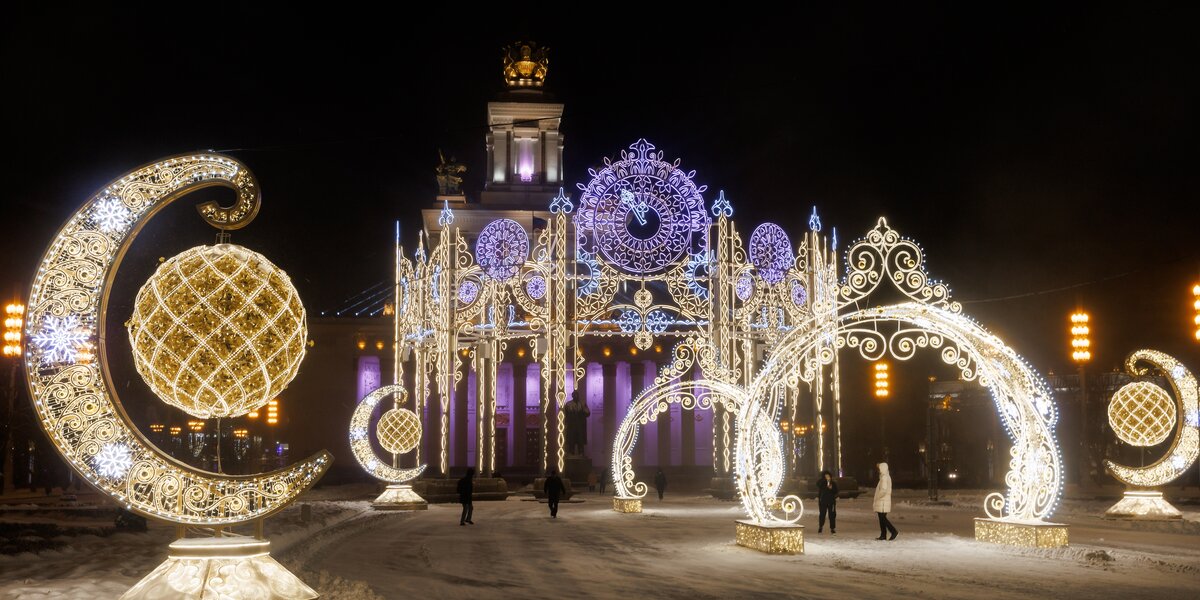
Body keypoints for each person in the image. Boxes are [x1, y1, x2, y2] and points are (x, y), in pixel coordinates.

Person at [874, 462, 897, 540]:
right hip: (883, 501)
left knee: (883, 518)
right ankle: (883, 535)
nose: (878, 470)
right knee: (881, 518)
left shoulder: (884, 477)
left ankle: (893, 531)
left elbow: (883, 490)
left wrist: (878, 497)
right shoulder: (885, 476)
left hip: (882, 501)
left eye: (879, 468)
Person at [817, 470, 838, 535]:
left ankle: (832, 528)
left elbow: (836, 491)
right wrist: (824, 481)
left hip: (831, 502)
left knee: (832, 515)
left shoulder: (833, 483)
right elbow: (818, 484)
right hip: (823, 501)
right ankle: (820, 527)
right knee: (822, 514)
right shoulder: (821, 483)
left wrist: (832, 488)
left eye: (828, 476)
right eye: (826, 476)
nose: (827, 477)